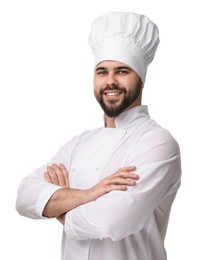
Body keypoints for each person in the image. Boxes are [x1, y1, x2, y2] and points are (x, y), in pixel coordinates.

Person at [16, 12, 181, 260]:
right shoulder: (80, 143)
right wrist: (89, 194)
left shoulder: (158, 143)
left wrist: (58, 207)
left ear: (141, 79)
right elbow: (25, 196)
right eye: (102, 72)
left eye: (122, 71)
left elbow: (110, 222)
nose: (110, 81)